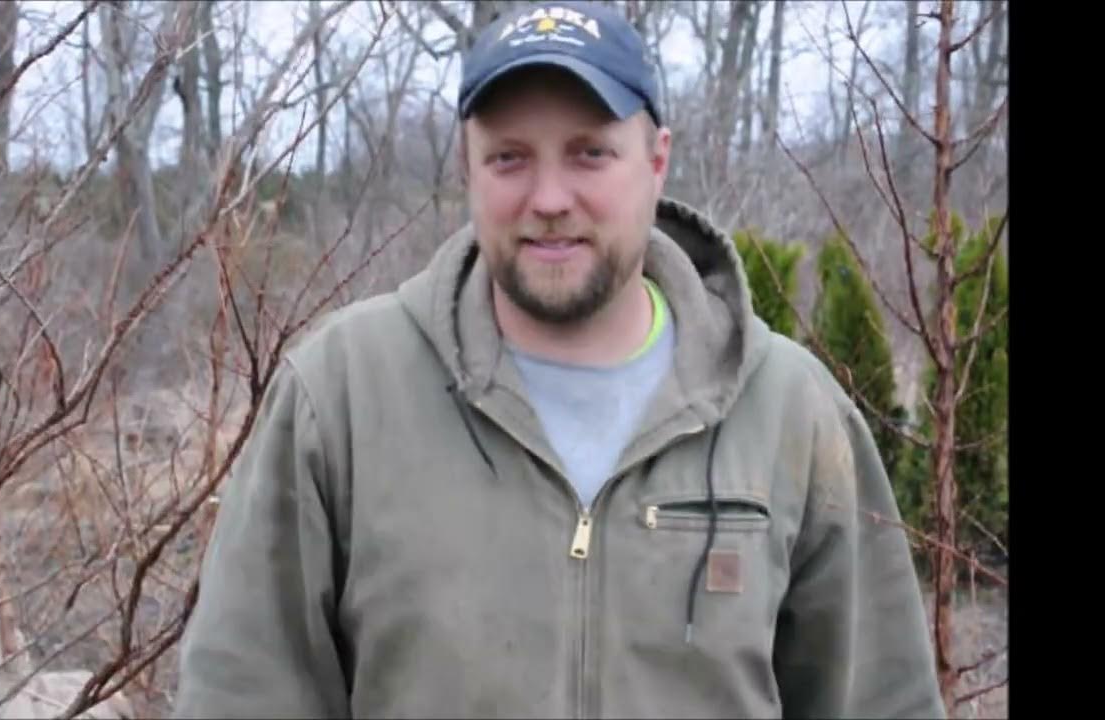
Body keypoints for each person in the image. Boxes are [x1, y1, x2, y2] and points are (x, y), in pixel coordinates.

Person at [173, 2, 946, 717]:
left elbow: (881, 701)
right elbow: (241, 695)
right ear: (467, 168)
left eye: (589, 153)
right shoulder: (340, 396)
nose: (548, 198)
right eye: (509, 157)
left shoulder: (788, 412)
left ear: (656, 162)